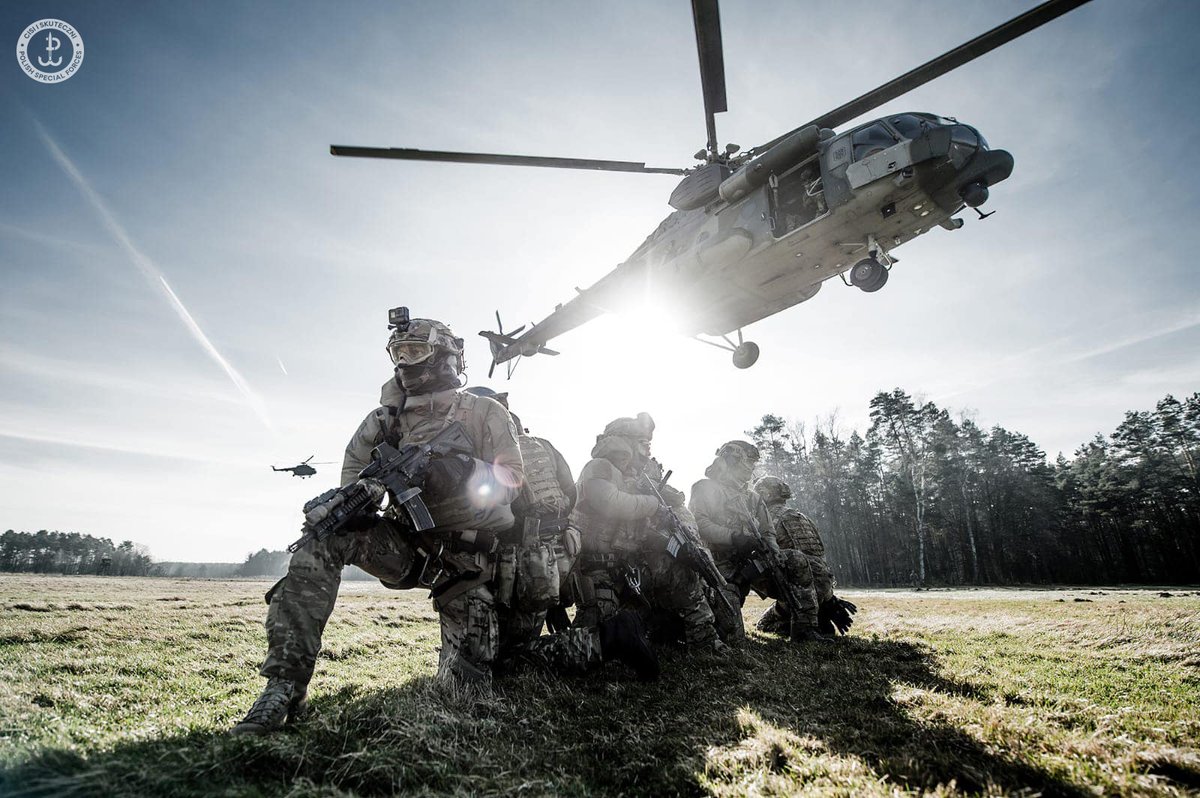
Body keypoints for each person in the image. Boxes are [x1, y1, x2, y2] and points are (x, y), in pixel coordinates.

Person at [232, 310, 654, 736]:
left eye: (415, 350)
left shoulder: (483, 413)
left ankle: (607, 639)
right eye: (398, 351)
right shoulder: (382, 422)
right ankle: (284, 687)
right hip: (411, 547)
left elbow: (512, 479)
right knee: (325, 536)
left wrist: (461, 472)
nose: (405, 361)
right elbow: (353, 484)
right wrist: (360, 500)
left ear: (445, 356)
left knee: (476, 682)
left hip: (470, 564)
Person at [569, 413, 725, 652]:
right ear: (624, 441)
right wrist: (653, 504)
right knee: (599, 637)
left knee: (680, 571)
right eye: (643, 442)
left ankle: (703, 638)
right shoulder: (599, 467)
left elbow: (642, 528)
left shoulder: (638, 479)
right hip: (598, 569)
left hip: (632, 566)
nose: (648, 449)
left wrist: (675, 545)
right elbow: (610, 502)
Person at [462, 387, 580, 640]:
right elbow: (570, 490)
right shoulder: (544, 445)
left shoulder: (493, 451)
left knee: (514, 646)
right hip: (559, 549)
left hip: (526, 554)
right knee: (538, 613)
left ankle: (610, 639)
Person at [688, 441, 828, 643]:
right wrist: (733, 537)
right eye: (749, 463)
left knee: (796, 560)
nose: (752, 468)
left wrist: (773, 550)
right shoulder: (705, 488)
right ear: (732, 461)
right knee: (732, 637)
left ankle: (805, 630)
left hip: (755, 562)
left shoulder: (753, 497)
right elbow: (700, 524)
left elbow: (767, 529)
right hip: (721, 567)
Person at [753, 477, 857, 637]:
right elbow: (819, 560)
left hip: (798, 592)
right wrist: (829, 599)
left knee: (763, 625)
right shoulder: (802, 518)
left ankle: (800, 619)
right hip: (822, 589)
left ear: (764, 495)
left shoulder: (765, 520)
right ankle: (818, 614)